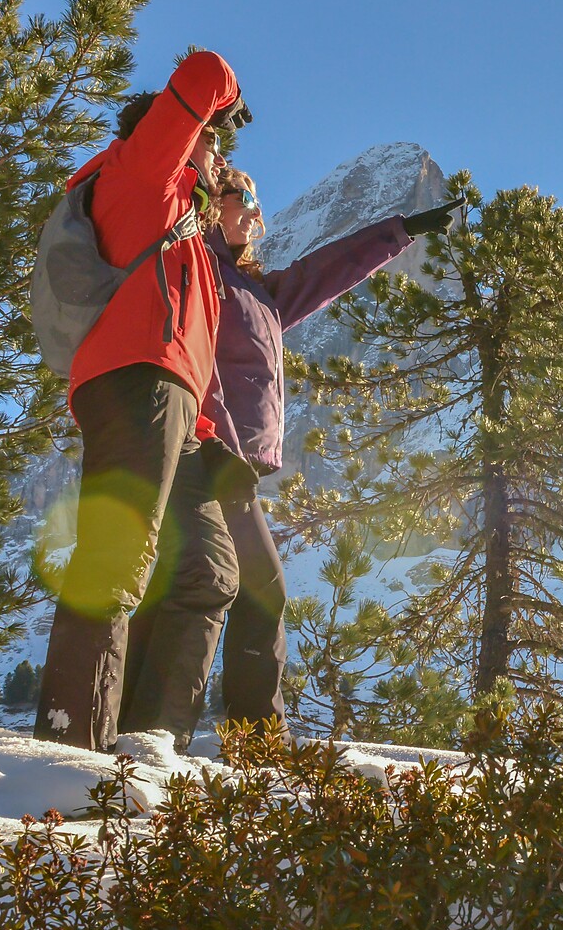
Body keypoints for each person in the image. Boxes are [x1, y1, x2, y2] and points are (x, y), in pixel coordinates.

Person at [136, 164, 460, 732]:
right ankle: (220, 735)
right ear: (211, 202)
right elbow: (191, 357)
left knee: (217, 587)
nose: (256, 212)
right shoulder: (199, 265)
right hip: (206, 448)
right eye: (244, 198)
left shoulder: (257, 290)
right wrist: (218, 435)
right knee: (246, 589)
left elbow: (326, 271)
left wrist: (400, 231)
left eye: (258, 202)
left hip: (230, 460)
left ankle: (194, 732)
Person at [34, 50, 248, 752]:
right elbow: (204, 70)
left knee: (208, 571)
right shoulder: (141, 177)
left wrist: (206, 434)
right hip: (135, 382)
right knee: (120, 551)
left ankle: (149, 744)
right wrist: (225, 100)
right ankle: (73, 744)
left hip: (174, 405)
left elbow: (186, 346)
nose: (221, 162)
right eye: (213, 146)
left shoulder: (186, 230)